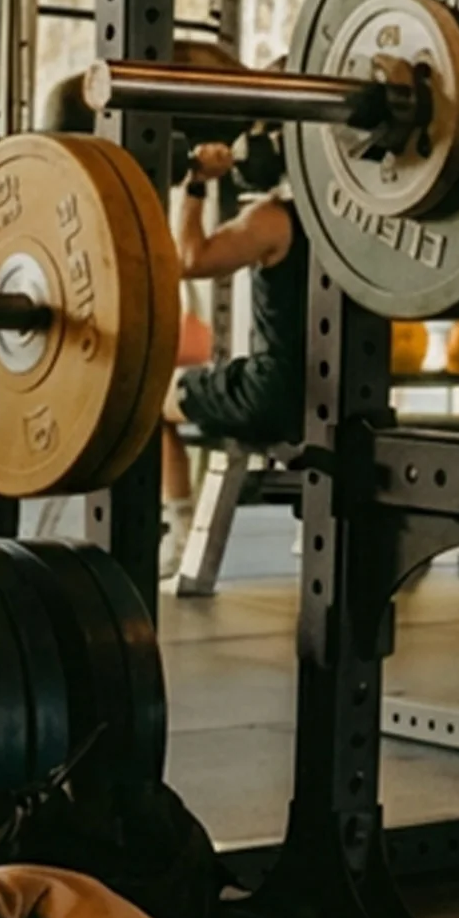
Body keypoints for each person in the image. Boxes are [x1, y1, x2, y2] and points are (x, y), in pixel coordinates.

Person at [160, 128, 308, 584]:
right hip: (344, 397)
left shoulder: (274, 219)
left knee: (150, 400)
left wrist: (198, 181)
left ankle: (179, 532)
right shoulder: (362, 224)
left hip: (273, 394)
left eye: (266, 131)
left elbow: (187, 259)